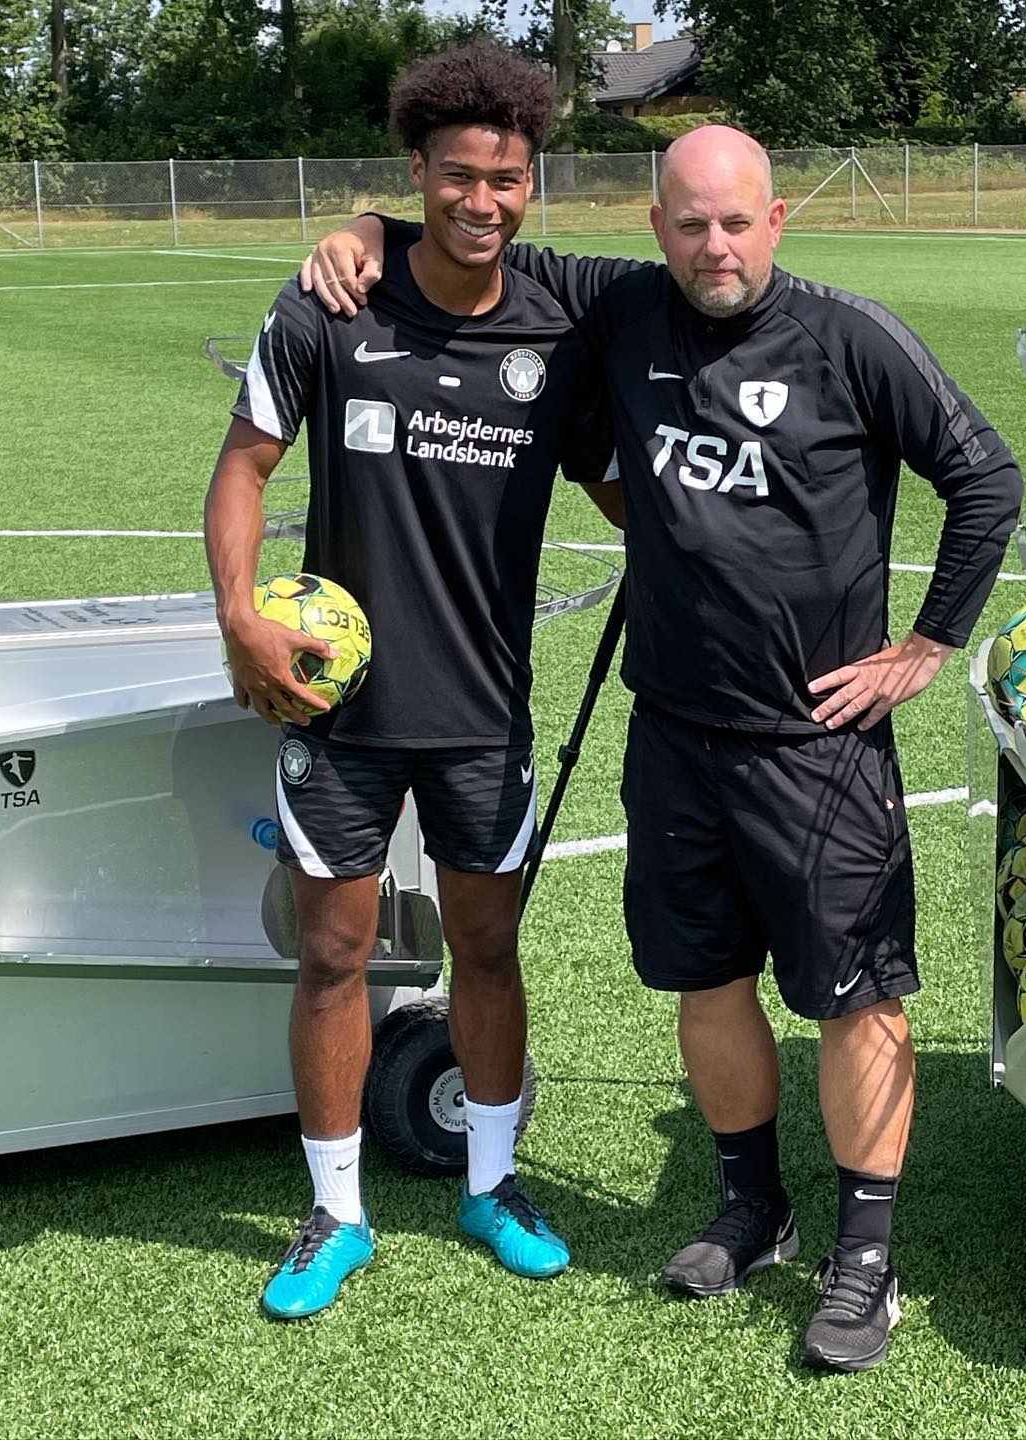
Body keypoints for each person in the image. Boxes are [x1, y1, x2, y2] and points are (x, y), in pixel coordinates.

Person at [302, 125, 1023, 1371]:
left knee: (857, 999)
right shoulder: (625, 304)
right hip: (676, 732)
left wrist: (928, 644)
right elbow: (481, 234)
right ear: (657, 229)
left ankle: (867, 1261)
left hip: (819, 743)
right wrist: (373, 228)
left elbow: (984, 475)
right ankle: (755, 1206)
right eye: (690, 223)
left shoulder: (851, 339)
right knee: (706, 979)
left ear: (777, 219)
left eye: (737, 221)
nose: (715, 245)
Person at [205, 41, 619, 1321]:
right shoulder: (331, 304)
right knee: (331, 956)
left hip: (485, 711)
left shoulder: (559, 320)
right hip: (337, 709)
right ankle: (334, 1213)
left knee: (488, 949)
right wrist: (238, 618)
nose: (480, 201)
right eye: (455, 177)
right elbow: (243, 469)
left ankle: (493, 1185)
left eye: (505, 178)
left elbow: (623, 491)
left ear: (532, 183)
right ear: (416, 174)